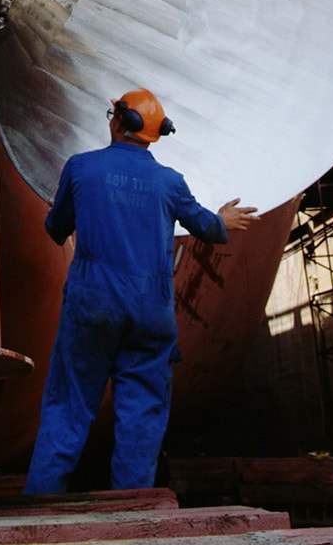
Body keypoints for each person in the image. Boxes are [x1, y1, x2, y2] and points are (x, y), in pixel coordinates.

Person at [24, 88, 256, 495]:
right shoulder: (170, 182)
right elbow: (205, 228)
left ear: (120, 121)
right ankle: (131, 508)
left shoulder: (81, 169)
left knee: (69, 406)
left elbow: (56, 229)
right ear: (155, 133)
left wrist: (59, 209)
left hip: (93, 308)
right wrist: (223, 219)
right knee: (142, 417)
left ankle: (42, 500)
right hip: (151, 314)